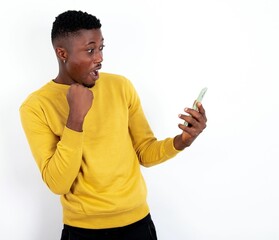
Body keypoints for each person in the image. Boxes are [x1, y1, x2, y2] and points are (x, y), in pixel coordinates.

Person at [20, 10, 207, 240]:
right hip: (83, 232)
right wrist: (75, 119)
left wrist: (182, 141)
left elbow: (145, 152)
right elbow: (58, 183)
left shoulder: (121, 87)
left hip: (138, 226)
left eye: (100, 48)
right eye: (90, 50)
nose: (99, 58)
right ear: (62, 53)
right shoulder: (35, 106)